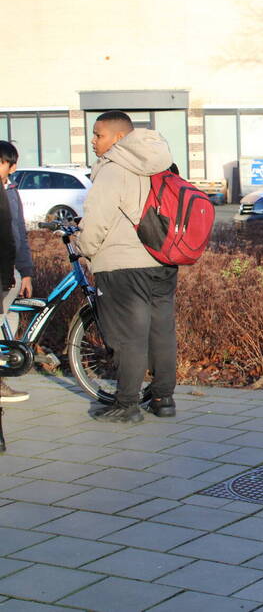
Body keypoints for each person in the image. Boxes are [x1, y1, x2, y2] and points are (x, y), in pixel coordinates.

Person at [79, 111, 178, 423]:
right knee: (161, 332)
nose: (93, 141)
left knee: (128, 337)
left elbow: (97, 219)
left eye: (99, 135)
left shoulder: (114, 168)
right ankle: (163, 400)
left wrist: (85, 249)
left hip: (123, 264)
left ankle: (127, 406)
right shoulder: (162, 163)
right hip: (163, 260)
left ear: (119, 138)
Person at [0, 142, 25, 403]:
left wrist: (25, 272)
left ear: (12, 166)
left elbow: (19, 234)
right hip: (2, 270)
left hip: (11, 268)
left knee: (10, 317)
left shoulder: (12, 192)